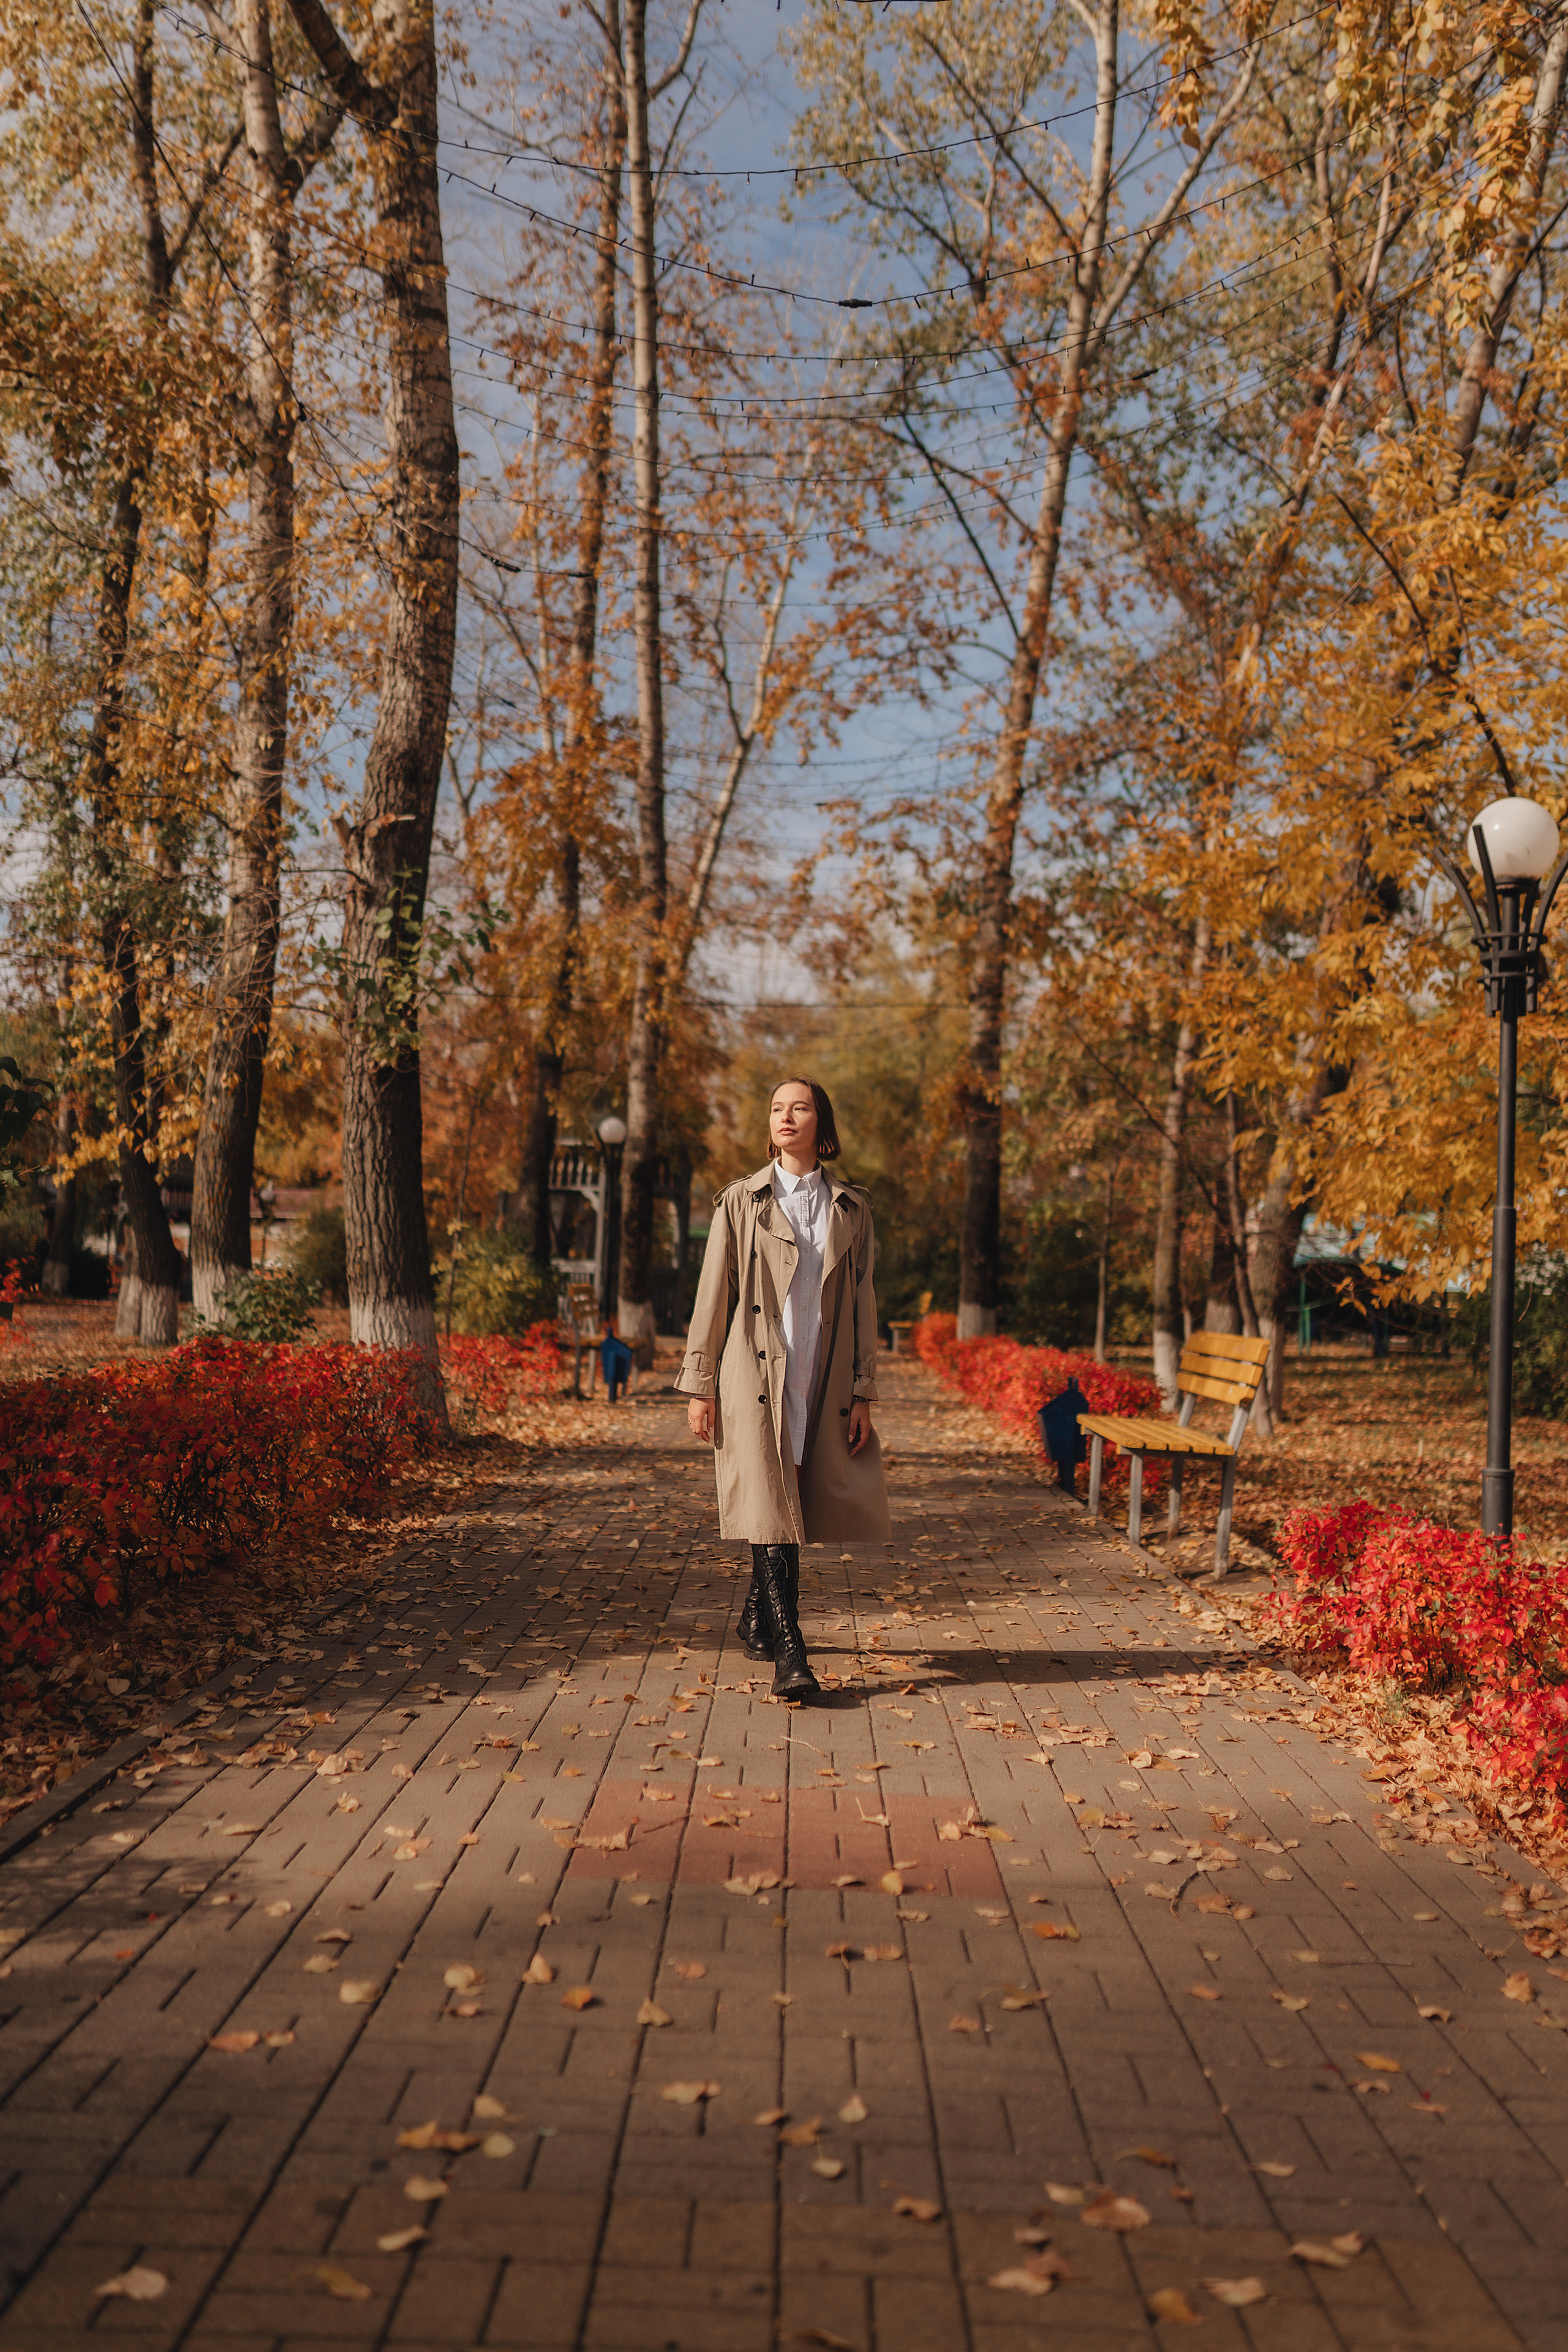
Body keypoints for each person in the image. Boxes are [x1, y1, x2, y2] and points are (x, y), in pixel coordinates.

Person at [677, 1076, 891, 1701]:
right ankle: (790, 1652)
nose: (785, 1117)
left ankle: (755, 1619)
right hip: (754, 1373)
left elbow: (863, 1299)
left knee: (793, 1497)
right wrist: (702, 1384)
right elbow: (712, 1293)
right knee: (771, 1501)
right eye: (776, 1108)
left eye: (799, 1108)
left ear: (821, 1126)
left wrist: (863, 1389)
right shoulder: (741, 1201)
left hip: (820, 1376)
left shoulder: (851, 1207)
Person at [598, 1320, 634, 1404]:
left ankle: (614, 1394)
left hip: (611, 1342)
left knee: (626, 1353)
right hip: (610, 1343)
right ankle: (613, 1395)